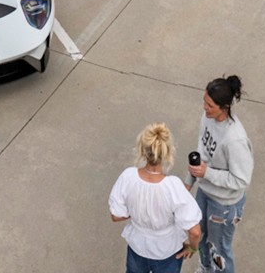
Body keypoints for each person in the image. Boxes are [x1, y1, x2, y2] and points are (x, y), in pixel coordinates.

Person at [109, 123, 201, 273]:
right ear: (167, 153)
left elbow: (116, 215)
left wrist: (139, 210)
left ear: (143, 151)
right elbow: (195, 231)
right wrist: (192, 247)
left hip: (137, 248)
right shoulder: (173, 187)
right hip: (167, 251)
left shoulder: (128, 177)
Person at [191, 76, 254, 273]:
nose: (204, 108)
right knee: (200, 236)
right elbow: (202, 148)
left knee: (219, 250)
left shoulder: (234, 140)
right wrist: (190, 180)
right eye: (204, 101)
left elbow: (241, 179)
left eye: (209, 105)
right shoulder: (207, 118)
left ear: (224, 107)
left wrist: (207, 173)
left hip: (224, 205)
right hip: (205, 192)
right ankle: (205, 268)